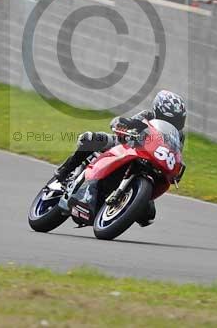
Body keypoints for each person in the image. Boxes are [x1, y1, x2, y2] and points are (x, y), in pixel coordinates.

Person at [53, 90, 187, 227]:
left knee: (148, 215)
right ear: (158, 110)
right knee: (90, 139)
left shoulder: (179, 136)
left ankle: (120, 204)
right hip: (125, 146)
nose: (173, 122)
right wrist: (123, 126)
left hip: (150, 162)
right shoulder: (147, 116)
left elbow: (176, 154)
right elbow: (124, 122)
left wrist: (177, 168)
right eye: (170, 118)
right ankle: (63, 173)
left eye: (177, 119)